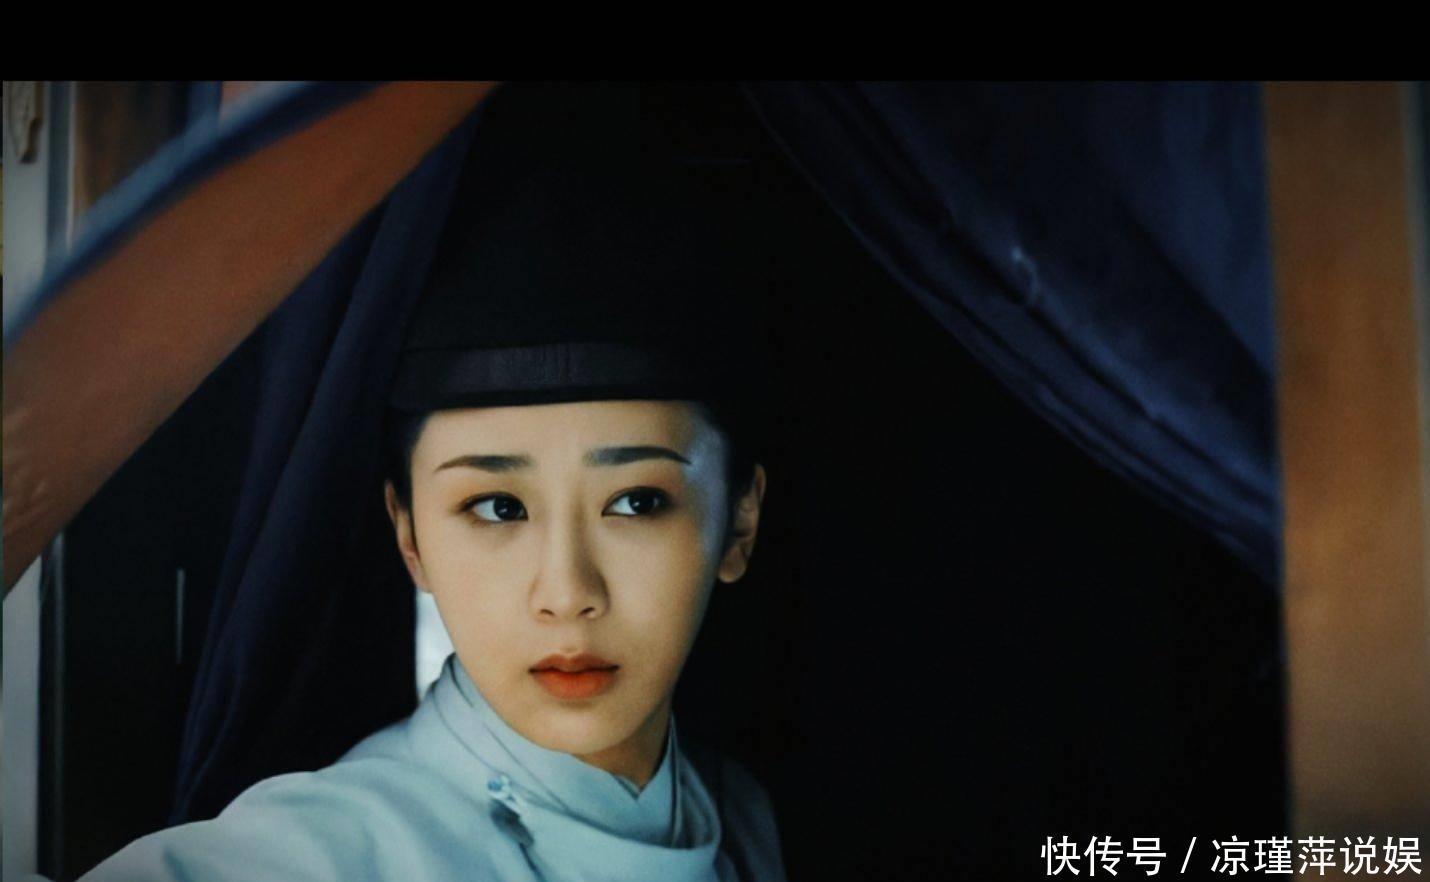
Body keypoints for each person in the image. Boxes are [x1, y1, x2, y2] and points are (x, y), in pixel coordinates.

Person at [75, 83, 787, 882]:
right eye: (497, 507)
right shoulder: (335, 850)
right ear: (409, 536)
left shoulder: (744, 822)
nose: (566, 594)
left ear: (741, 522)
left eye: (636, 502)